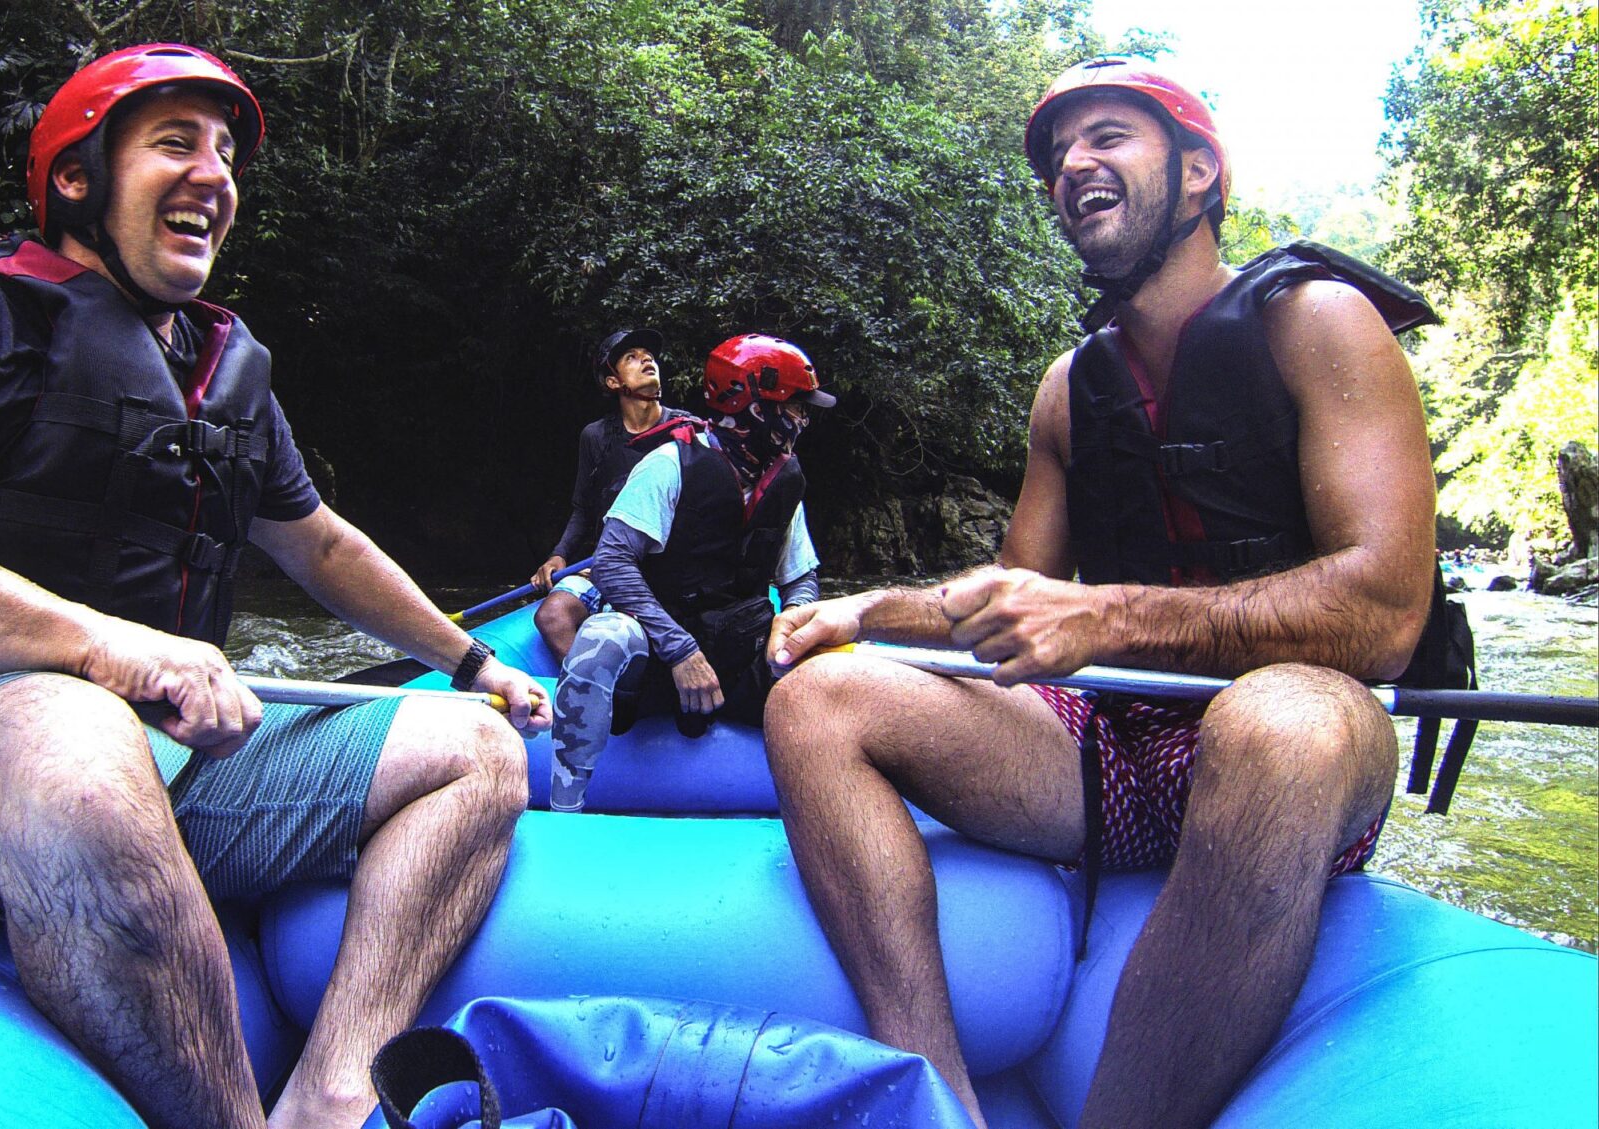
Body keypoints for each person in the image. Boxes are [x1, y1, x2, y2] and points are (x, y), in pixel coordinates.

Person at [0, 44, 548, 1129]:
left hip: (175, 749)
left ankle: (334, 1092)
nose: (214, 173)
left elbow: (321, 546)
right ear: (74, 180)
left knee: (476, 750)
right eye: (173, 144)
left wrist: (471, 663)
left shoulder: (222, 366)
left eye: (227, 152)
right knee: (77, 742)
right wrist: (95, 644)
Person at [762, 58, 1459, 1129]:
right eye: (1055, 157)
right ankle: (931, 1094)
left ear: (1194, 173)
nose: (1070, 168)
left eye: (1106, 138)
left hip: (1298, 727)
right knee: (816, 698)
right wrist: (864, 614)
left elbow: (1382, 613)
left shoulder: (1318, 322)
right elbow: (1012, 602)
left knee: (1276, 725)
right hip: (1113, 746)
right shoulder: (1067, 388)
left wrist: (1111, 616)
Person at [551, 334, 832, 812]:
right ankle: (566, 809)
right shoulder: (668, 464)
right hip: (663, 647)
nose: (803, 419)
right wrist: (681, 649)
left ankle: (826, 802)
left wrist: (795, 625)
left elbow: (798, 579)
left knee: (832, 665)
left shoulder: (783, 479)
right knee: (602, 634)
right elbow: (612, 563)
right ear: (755, 409)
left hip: (742, 646)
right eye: (796, 407)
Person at [529, 328, 695, 663]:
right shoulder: (597, 436)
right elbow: (583, 509)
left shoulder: (689, 430)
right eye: (631, 357)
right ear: (613, 382)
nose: (646, 360)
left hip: (669, 565)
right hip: (607, 564)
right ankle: (586, 696)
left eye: (648, 355)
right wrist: (559, 556)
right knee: (551, 616)